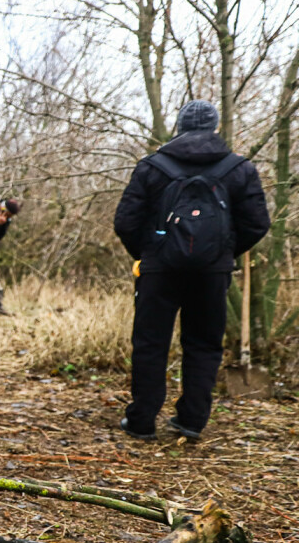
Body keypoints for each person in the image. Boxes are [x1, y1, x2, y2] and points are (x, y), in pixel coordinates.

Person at [114, 99, 270, 440]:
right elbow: (258, 223)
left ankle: (141, 422)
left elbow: (125, 221)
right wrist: (224, 252)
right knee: (204, 344)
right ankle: (191, 421)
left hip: (158, 270)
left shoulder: (152, 166)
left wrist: (146, 253)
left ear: (179, 126)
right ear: (214, 127)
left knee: (150, 344)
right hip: (213, 273)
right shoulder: (239, 168)